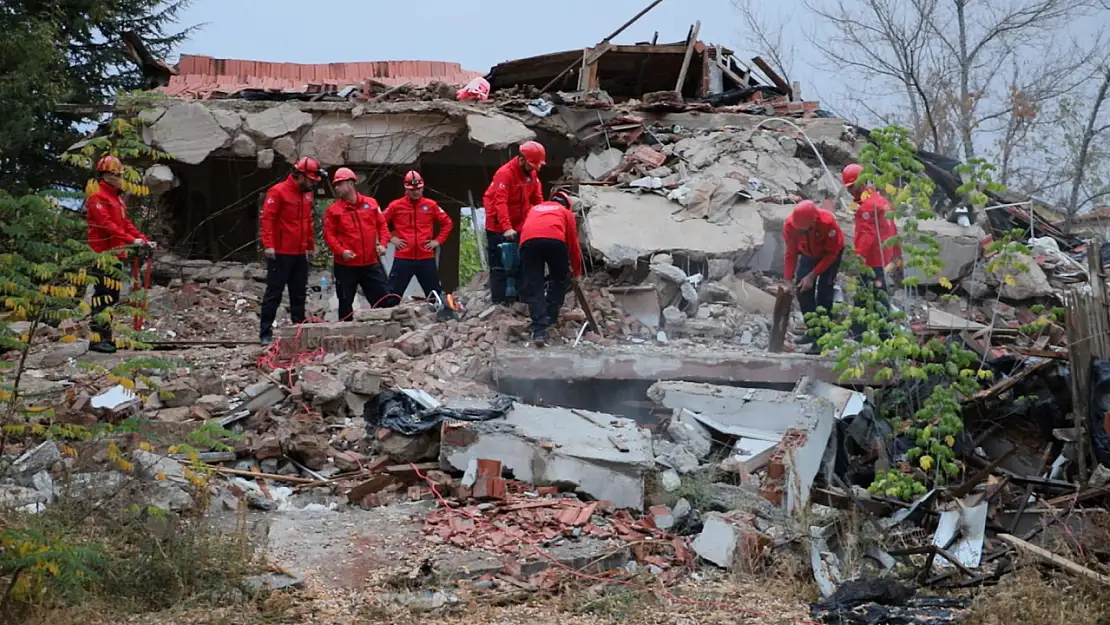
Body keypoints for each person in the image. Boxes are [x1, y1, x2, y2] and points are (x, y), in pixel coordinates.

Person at [85, 155, 156, 354]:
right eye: (116, 175)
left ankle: (107, 338)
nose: (119, 178)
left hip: (117, 254)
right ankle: (97, 340)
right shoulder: (97, 196)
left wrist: (142, 238)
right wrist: (130, 240)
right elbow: (106, 225)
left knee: (112, 297)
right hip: (102, 254)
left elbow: (124, 224)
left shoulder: (116, 198)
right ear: (106, 175)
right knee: (102, 296)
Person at [259, 156, 322, 345]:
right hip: (281, 251)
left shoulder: (306, 194)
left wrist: (310, 245)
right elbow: (267, 219)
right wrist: (268, 244)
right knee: (274, 292)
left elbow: (307, 222)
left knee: (299, 293)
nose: (312, 184)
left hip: (299, 252)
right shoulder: (278, 192)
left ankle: (298, 329)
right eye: (310, 180)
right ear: (300, 176)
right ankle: (265, 332)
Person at [323, 167, 390, 321]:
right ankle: (344, 334)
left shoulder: (371, 204)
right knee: (345, 302)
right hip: (346, 265)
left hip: (370, 263)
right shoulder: (333, 211)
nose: (336, 188)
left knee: (383, 300)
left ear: (350, 183)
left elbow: (382, 226)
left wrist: (383, 244)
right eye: (335, 185)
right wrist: (341, 251)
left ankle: (383, 331)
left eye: (339, 184)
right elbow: (329, 236)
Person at [482, 141, 545, 304]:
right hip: (498, 225)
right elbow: (500, 203)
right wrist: (507, 228)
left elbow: (537, 199)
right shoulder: (505, 174)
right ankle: (499, 301)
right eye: (532, 165)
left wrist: (541, 220)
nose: (534, 169)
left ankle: (521, 299)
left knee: (523, 261)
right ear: (521, 159)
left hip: (520, 223)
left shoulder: (532, 175)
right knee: (499, 264)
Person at [518, 190, 583, 347]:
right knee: (559, 279)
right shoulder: (565, 213)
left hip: (528, 243)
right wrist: (576, 271)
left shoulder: (534, 209)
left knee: (535, 284)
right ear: (567, 205)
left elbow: (526, 230)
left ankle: (538, 330)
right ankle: (551, 317)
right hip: (555, 242)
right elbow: (573, 245)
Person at [782, 199, 845, 352]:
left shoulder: (827, 222)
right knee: (801, 290)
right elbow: (790, 253)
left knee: (824, 293)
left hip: (830, 255)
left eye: (804, 230)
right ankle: (813, 330)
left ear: (814, 221)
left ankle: (823, 339)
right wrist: (788, 280)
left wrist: (812, 276)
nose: (800, 232)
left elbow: (832, 253)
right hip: (808, 253)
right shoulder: (790, 226)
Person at [382, 171, 453, 303]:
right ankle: (388, 320)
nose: (416, 192)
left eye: (418, 189)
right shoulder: (396, 206)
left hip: (425, 257)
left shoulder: (431, 205)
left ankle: (442, 320)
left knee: (435, 295)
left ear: (423, 188)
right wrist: (391, 238)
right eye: (412, 190)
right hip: (403, 257)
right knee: (392, 295)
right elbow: (379, 222)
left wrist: (438, 240)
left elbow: (447, 223)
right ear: (406, 189)